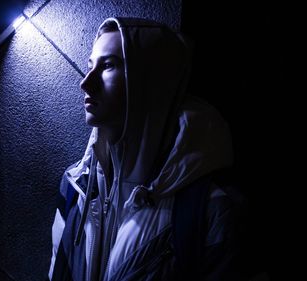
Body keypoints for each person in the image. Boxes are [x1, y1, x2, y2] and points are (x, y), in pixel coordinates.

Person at [48, 17, 248, 281]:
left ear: (150, 81)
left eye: (108, 65)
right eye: (89, 66)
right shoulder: (75, 187)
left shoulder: (210, 208)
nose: (86, 82)